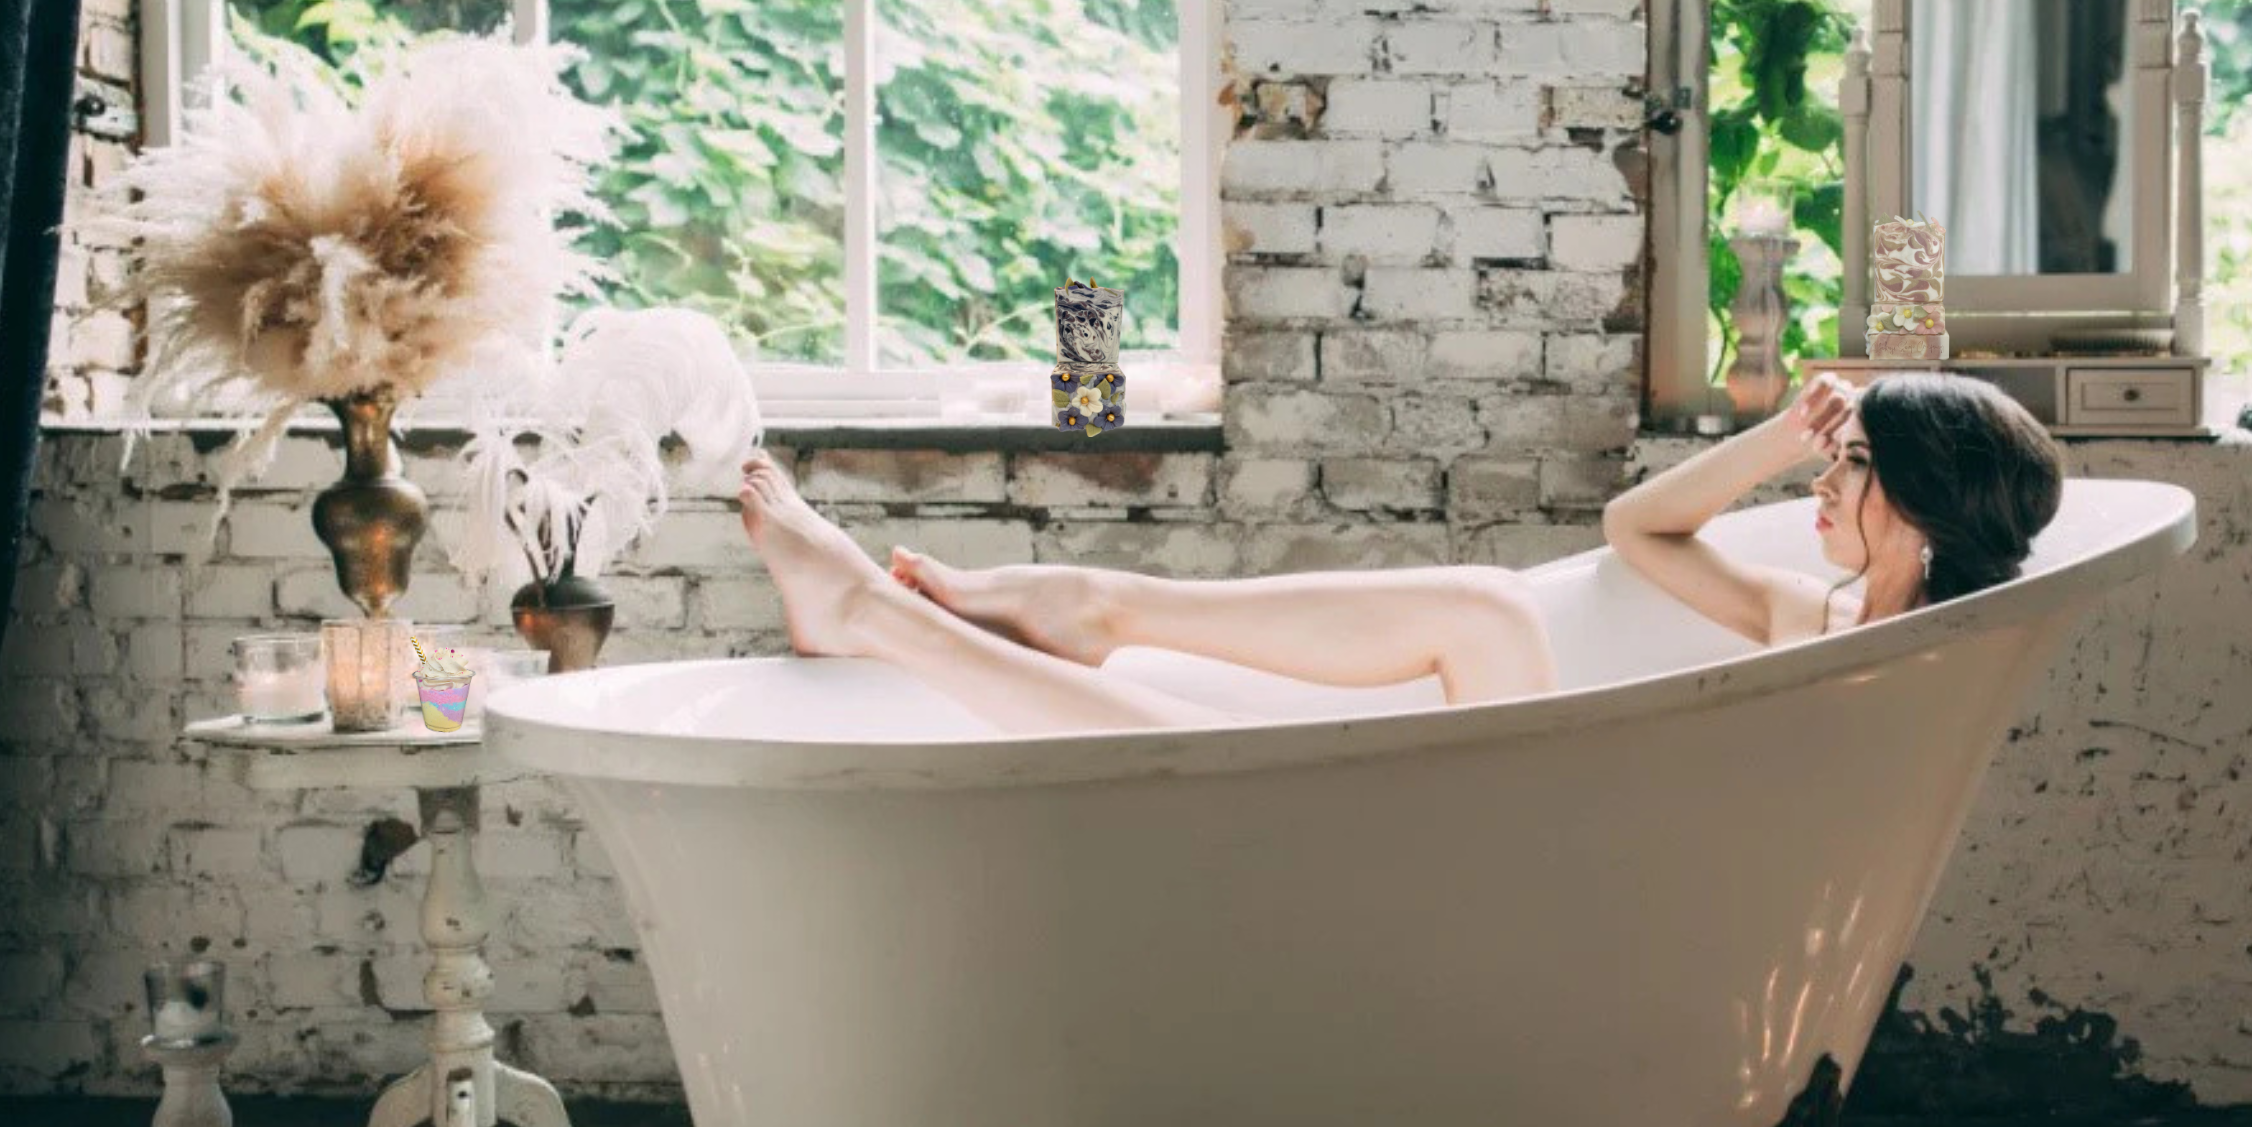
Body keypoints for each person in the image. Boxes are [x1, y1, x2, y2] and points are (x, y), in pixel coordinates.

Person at [731, 371, 2063, 736]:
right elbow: (1636, 529)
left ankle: (885, 622)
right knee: (1488, 609)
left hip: (1619, 894)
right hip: (1591, 834)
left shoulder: (1912, 671)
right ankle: (1100, 603)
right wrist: (1777, 435)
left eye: (1851, 469)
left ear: (1928, 508)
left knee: (1226, 764)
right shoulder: (1801, 613)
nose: (1826, 488)